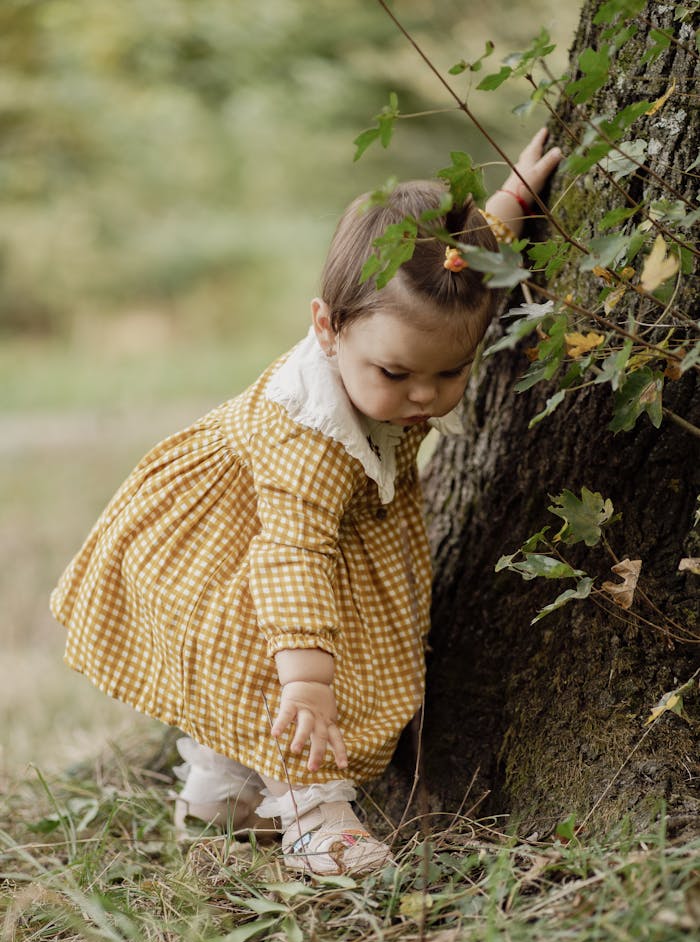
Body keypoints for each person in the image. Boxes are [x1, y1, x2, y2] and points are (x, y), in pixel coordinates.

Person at [51, 129, 561, 876]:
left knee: (261, 663)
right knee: (286, 671)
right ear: (327, 327)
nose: (423, 396)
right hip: (243, 549)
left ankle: (220, 798)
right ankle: (315, 814)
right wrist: (309, 683)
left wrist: (508, 206)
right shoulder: (312, 439)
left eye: (451, 373)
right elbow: (290, 560)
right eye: (396, 373)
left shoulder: (411, 317)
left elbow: (459, 266)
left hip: (264, 538)